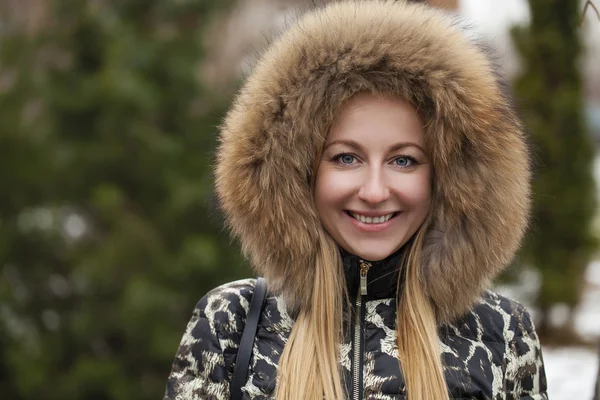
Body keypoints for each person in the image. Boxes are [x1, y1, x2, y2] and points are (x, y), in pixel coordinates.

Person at [164, 1, 548, 399]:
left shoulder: (501, 334)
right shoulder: (231, 323)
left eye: (404, 160)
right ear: (299, 173)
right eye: (346, 158)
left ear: (447, 178)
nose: (375, 192)